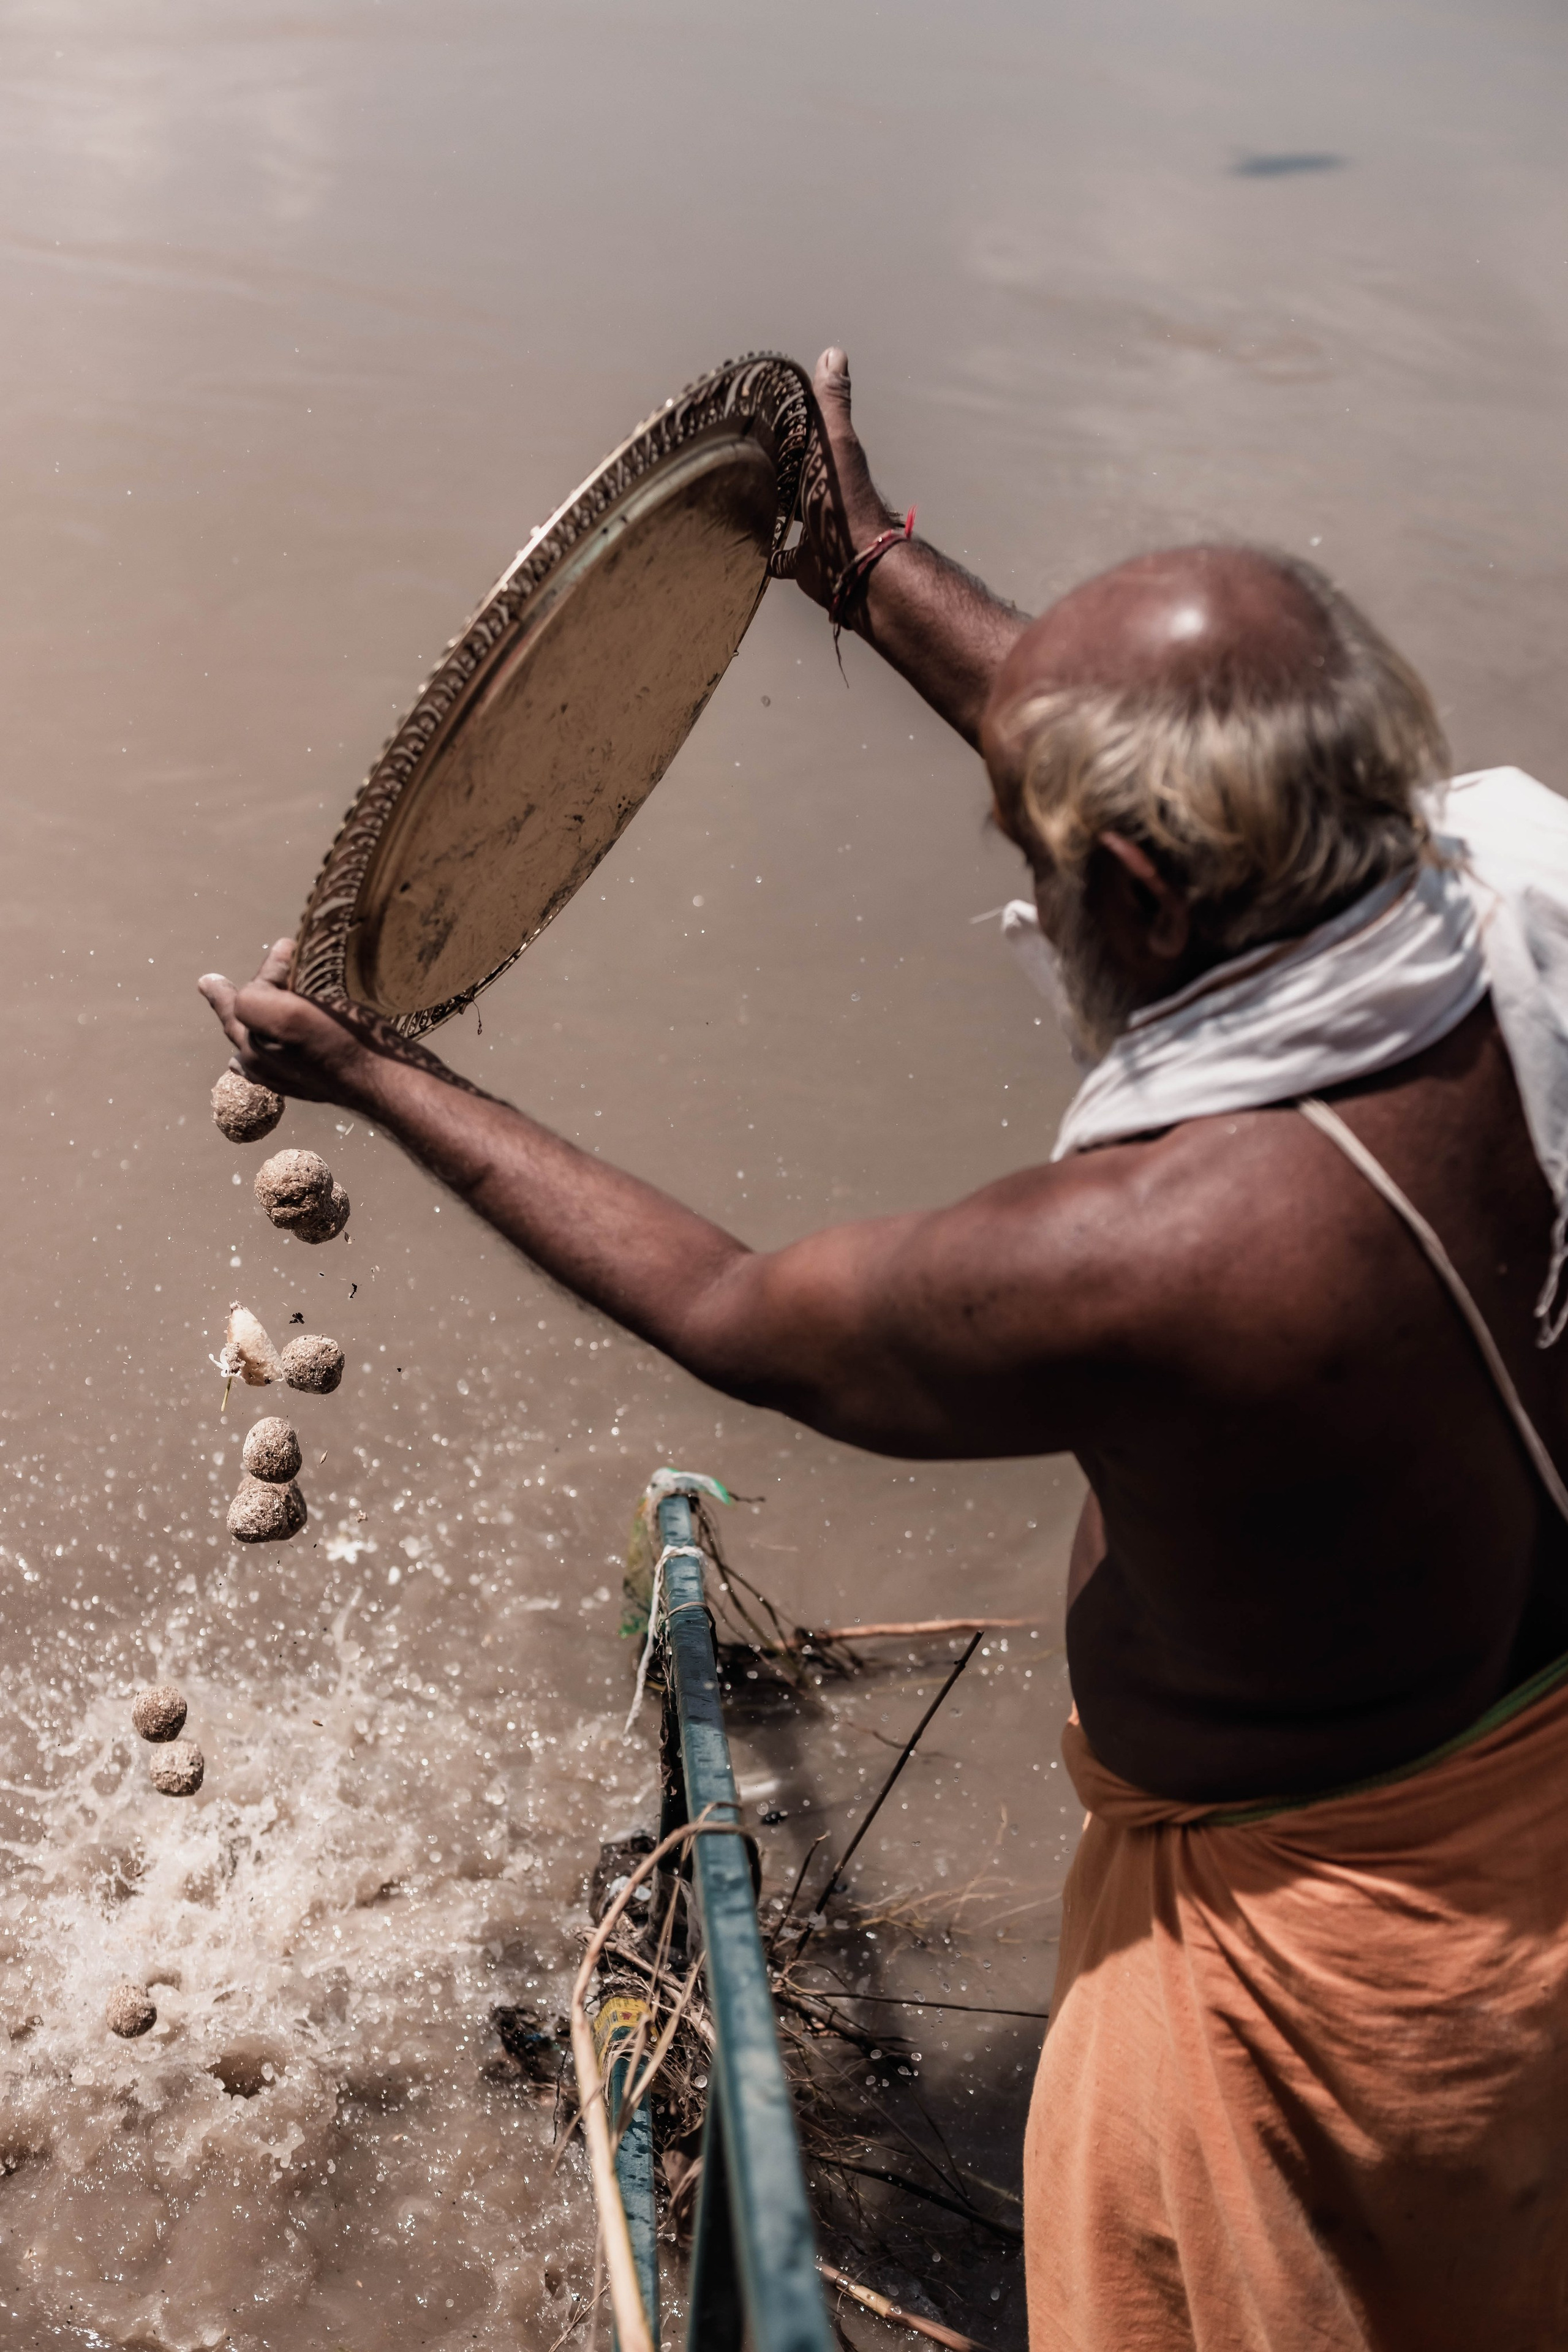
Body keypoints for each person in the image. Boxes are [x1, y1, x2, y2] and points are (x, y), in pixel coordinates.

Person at [202, 350, 1568, 2351]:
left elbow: (743, 1315)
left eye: (1036, 853)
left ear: (1128, 892)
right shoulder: (1515, 887)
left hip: (1320, 1980)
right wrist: (862, 561)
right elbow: (1154, 751)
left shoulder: (1186, 1252)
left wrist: (375, 1070)